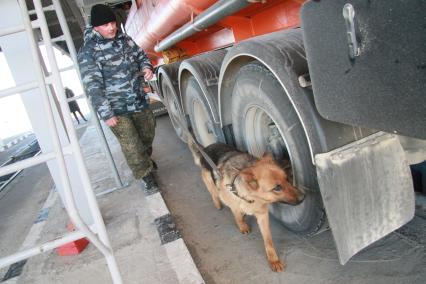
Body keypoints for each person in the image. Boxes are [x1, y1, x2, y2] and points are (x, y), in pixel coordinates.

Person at [77, 4, 158, 191]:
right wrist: (106, 113)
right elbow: (92, 86)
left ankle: (145, 160)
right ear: (96, 27)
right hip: (116, 109)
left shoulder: (124, 39)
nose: (111, 27)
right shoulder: (89, 52)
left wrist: (147, 67)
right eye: (105, 25)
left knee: (147, 134)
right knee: (131, 145)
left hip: (138, 100)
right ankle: (145, 175)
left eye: (112, 22)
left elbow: (141, 55)